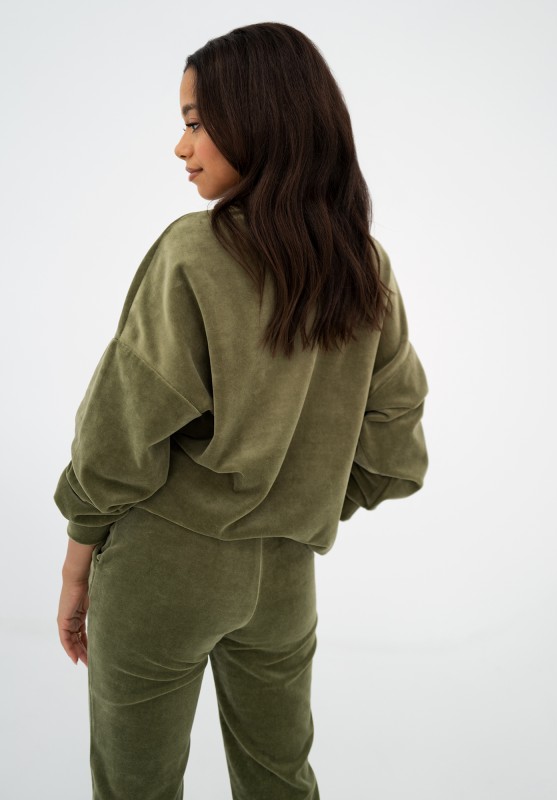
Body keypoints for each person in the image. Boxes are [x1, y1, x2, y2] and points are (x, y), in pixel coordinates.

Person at [54, 21, 429, 800]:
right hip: (286, 582)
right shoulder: (365, 267)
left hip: (164, 569)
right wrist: (301, 499)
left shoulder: (195, 252)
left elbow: (119, 433)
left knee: (134, 788)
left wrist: (76, 561)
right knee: (280, 781)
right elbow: (396, 451)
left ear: (258, 119)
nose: (181, 146)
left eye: (195, 122)